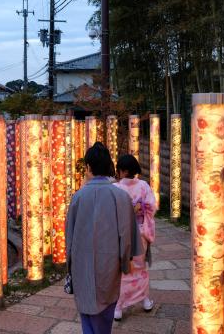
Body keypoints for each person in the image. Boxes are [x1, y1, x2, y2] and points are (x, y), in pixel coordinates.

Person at [66, 142, 142, 334]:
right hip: (109, 264)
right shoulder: (120, 197)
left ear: (88, 167)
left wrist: (70, 266)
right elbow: (126, 237)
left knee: (86, 313)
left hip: (82, 265)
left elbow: (70, 237)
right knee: (105, 313)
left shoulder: (78, 197)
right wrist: (126, 263)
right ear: (110, 166)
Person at [113, 154, 157, 321]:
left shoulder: (116, 188)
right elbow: (152, 207)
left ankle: (118, 307)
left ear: (123, 171)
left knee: (123, 270)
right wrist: (139, 208)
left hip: (122, 233)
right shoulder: (143, 186)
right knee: (140, 268)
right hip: (140, 233)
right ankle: (145, 300)